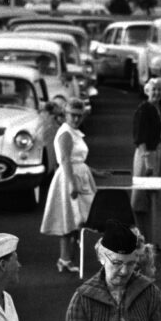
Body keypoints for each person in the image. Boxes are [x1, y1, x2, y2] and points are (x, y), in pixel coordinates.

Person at [40, 98, 108, 274]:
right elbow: (65, 161)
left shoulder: (74, 132)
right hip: (69, 178)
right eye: (73, 116)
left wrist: (96, 172)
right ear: (66, 115)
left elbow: (78, 160)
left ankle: (67, 258)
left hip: (80, 175)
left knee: (75, 220)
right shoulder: (66, 134)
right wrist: (71, 184)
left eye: (80, 116)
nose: (76, 119)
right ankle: (66, 258)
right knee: (71, 219)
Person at [131, 77, 161, 246]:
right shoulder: (143, 110)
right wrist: (147, 162)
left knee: (152, 200)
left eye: (159, 90)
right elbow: (139, 138)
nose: (156, 93)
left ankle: (150, 241)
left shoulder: (159, 110)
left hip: (159, 156)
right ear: (147, 91)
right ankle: (142, 241)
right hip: (146, 157)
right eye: (153, 90)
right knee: (140, 201)